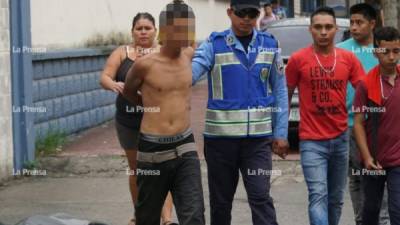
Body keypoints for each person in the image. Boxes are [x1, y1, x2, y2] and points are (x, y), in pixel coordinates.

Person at [192, 0, 289, 224]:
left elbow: (280, 90)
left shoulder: (269, 44)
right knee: (221, 202)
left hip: (257, 142)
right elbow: (190, 74)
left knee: (260, 197)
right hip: (220, 142)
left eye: (252, 13)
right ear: (229, 12)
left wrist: (281, 132)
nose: (246, 18)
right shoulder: (213, 44)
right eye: (241, 13)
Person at [123, 1, 205, 225]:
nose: (187, 34)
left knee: (194, 215)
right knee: (147, 218)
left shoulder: (189, 54)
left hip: (185, 146)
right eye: (181, 29)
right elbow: (129, 91)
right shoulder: (145, 65)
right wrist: (150, 106)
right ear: (166, 30)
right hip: (153, 150)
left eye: (190, 28)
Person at [285, 7, 364, 225]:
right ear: (311, 29)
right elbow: (285, 96)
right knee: (318, 195)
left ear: (336, 30)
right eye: (318, 27)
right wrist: (280, 134)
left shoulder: (348, 59)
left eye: (328, 27)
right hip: (311, 140)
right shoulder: (298, 59)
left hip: (341, 138)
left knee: (336, 199)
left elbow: (366, 91)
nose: (323, 32)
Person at [99, 12, 176, 225]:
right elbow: (105, 76)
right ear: (132, 31)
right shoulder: (121, 53)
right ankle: (139, 215)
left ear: (155, 31)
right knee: (136, 169)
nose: (143, 32)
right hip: (128, 121)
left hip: (159, 121)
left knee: (162, 168)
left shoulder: (163, 52)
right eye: (139, 28)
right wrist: (113, 84)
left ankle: (167, 219)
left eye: (147, 28)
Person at [336, 3, 390, 225]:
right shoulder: (340, 49)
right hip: (348, 124)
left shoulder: (385, 49)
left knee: (380, 175)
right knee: (356, 177)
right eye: (352, 23)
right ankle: (362, 220)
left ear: (373, 24)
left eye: (360, 22)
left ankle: (383, 220)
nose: (355, 27)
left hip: (381, 124)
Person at [353, 26, 400, 225]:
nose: (391, 56)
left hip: (398, 159)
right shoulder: (365, 83)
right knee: (371, 210)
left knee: (397, 210)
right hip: (374, 159)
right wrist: (367, 156)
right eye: (385, 51)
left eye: (396, 51)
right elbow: (358, 123)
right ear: (375, 52)